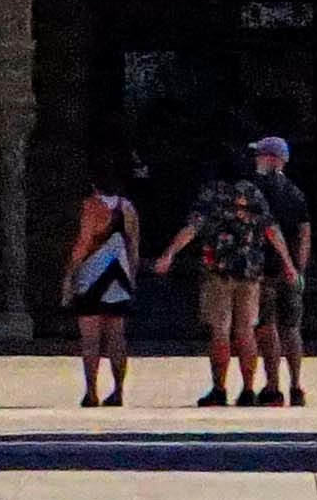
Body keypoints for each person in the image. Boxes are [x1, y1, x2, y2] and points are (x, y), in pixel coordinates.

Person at [150, 149, 270, 405]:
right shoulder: (255, 193)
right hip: (250, 271)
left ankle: (219, 388)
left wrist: (169, 253)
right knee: (246, 330)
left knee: (220, 330)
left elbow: (193, 227)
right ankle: (249, 390)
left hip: (219, 270)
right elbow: (271, 229)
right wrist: (289, 263)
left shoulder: (212, 193)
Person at [60, 168, 143, 406]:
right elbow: (133, 245)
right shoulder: (127, 208)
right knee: (117, 337)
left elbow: (84, 242)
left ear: (94, 185)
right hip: (120, 275)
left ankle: (91, 392)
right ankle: (118, 391)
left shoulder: (91, 206)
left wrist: (69, 276)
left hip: (92, 276)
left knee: (90, 338)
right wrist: (132, 277)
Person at [247, 135, 313, 405]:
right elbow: (305, 233)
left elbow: (264, 227)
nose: (256, 160)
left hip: (264, 267)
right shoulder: (296, 193)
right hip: (291, 271)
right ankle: (296, 385)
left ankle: (273, 386)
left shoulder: (256, 190)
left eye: (260, 155)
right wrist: (299, 269)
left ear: (271, 158)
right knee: (292, 328)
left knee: (266, 327)